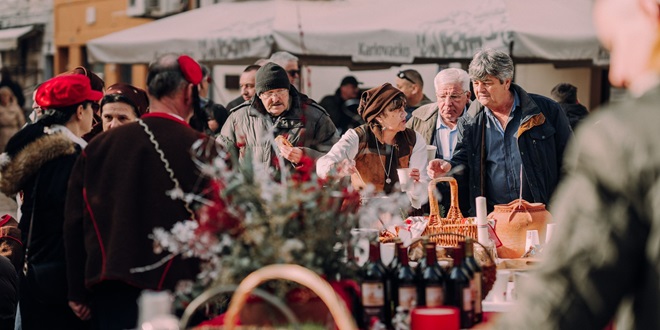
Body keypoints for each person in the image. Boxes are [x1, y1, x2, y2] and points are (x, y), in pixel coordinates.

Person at [488, 0, 660, 329]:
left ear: (648, 9)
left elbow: (567, 299)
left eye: (617, 43)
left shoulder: (626, 133)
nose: (617, 73)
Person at [63, 54, 206, 330]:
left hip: (112, 286)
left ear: (149, 91)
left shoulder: (98, 148)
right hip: (181, 290)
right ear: (190, 93)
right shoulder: (204, 149)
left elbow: (75, 223)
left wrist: (76, 292)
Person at [0, 74, 101, 330]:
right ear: (80, 111)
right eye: (92, 106)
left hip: (33, 268)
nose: (95, 114)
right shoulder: (72, 158)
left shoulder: (35, 149)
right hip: (63, 277)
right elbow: (75, 226)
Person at [427, 49, 572, 215]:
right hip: (493, 220)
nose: (479, 89)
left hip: (541, 215)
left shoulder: (546, 110)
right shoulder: (470, 119)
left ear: (507, 82)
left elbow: (571, 161)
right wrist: (449, 165)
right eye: (475, 83)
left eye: (487, 82)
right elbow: (464, 159)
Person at [218, 62, 337, 169]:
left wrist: (305, 156)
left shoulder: (315, 116)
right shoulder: (239, 118)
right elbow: (220, 158)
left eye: (280, 91)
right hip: (254, 192)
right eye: (269, 93)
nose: (275, 99)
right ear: (259, 95)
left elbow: (337, 158)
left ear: (288, 90)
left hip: (296, 192)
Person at [317, 83, 428, 195]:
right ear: (379, 117)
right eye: (397, 110)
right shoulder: (358, 137)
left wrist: (415, 184)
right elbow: (323, 165)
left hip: (402, 209)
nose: (404, 113)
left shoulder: (414, 139)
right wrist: (339, 168)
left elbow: (423, 188)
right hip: (364, 209)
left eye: (403, 108)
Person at [406, 68, 471, 160]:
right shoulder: (419, 119)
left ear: (467, 96)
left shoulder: (482, 119)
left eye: (454, 96)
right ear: (436, 96)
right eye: (442, 97)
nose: (448, 103)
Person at [0, 87, 26, 152]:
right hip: (2, 133)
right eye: (2, 96)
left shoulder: (15, 108)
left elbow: (21, 121)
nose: (4, 98)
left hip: (13, 131)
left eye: (6, 96)